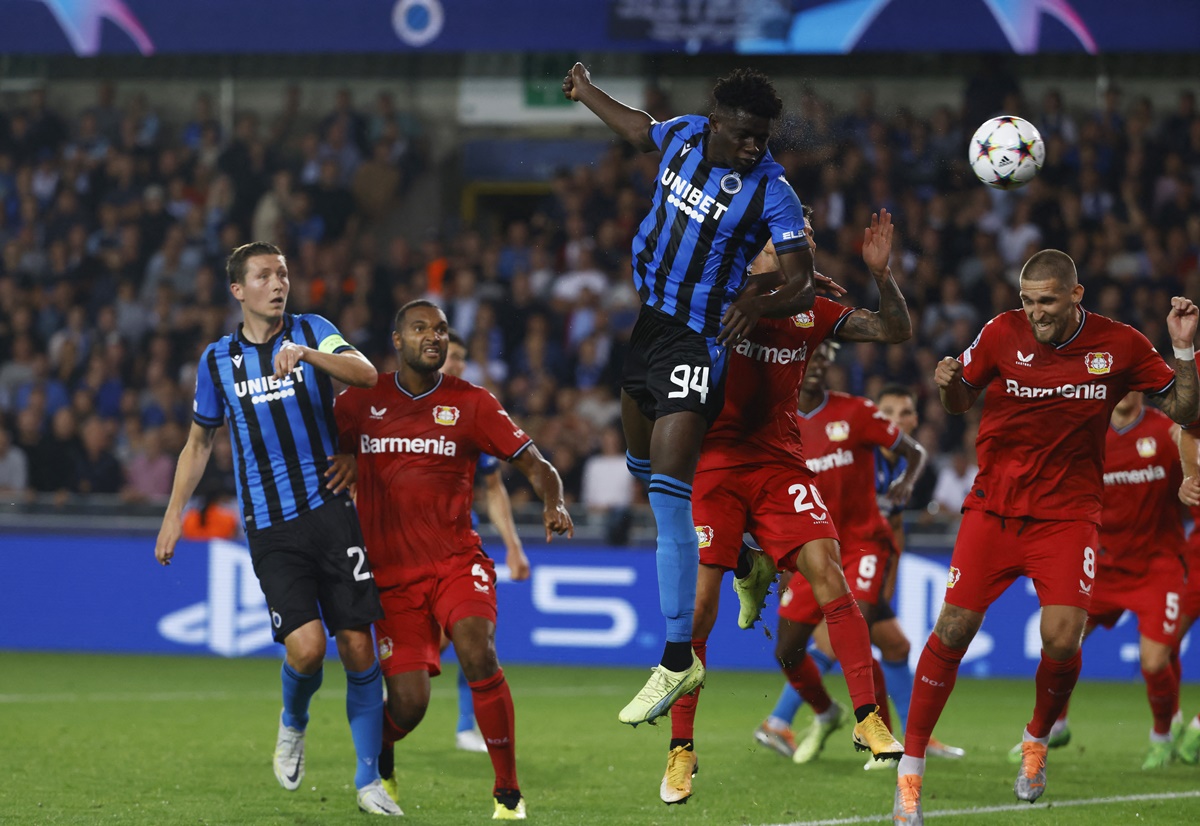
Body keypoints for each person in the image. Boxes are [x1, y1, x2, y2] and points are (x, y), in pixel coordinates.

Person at [564, 62, 836, 725]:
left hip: (699, 340)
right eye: (745, 135)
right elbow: (637, 128)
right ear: (716, 123)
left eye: (763, 136)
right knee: (638, 463)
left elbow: (802, 281)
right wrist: (587, 91)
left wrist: (754, 293)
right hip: (651, 325)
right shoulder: (684, 136)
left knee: (668, 495)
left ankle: (677, 659)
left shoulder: (773, 190)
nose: (755, 146)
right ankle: (746, 560)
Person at [893, 249, 1198, 825]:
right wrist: (947, 385)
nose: (1036, 314)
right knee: (953, 626)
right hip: (994, 509)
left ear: (1076, 295)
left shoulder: (1121, 345)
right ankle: (910, 770)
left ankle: (1036, 740)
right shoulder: (1001, 332)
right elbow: (960, 403)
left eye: (1048, 302)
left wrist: (1181, 348)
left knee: (1061, 639)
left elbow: (1185, 408)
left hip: (1068, 515)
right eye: (1028, 301)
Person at [660, 209, 906, 805]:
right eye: (787, 241)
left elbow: (893, 330)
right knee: (698, 613)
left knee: (828, 570)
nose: (803, 247)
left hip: (779, 466)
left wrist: (883, 275)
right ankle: (681, 751)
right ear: (754, 252)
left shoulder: (812, 310)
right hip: (718, 466)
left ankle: (867, 716)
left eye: (807, 240)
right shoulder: (721, 300)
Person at [153, 241, 400, 816]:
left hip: (332, 512)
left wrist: (308, 357)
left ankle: (368, 783)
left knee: (360, 646)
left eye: (282, 273)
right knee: (309, 648)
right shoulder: (217, 360)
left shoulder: (313, 330)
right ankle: (293, 722)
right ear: (238, 290)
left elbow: (365, 375)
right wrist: (172, 517)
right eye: (263, 275)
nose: (277, 282)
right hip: (270, 527)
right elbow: (198, 442)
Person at [332, 300, 573, 820]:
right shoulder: (358, 402)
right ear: (397, 340)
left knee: (478, 650)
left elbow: (534, 462)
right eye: (420, 328)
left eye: (440, 330)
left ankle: (507, 792)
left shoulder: (473, 402)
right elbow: (316, 453)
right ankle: (384, 752)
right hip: (390, 576)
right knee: (409, 705)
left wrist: (553, 500)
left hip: (456, 561)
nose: (433, 337)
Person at [755, 383, 964, 766]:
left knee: (882, 643)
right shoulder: (857, 449)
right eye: (887, 412)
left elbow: (895, 527)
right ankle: (795, 718)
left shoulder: (893, 464)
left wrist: (890, 577)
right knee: (832, 644)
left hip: (867, 555)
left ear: (915, 419)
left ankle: (900, 735)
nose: (894, 421)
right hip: (825, 552)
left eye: (903, 413)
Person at [1002, 391, 1186, 769]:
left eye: (1132, 381)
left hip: (1157, 565)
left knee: (1153, 662)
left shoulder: (1166, 433)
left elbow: (1191, 483)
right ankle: (1053, 728)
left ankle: (1162, 737)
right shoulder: (1088, 432)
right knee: (1060, 643)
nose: (1125, 389)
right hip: (1101, 565)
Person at [441, 330, 531, 753]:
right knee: (423, 646)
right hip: (406, 544)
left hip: (459, 541)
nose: (455, 364)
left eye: (460, 357)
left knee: (475, 632)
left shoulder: (470, 412)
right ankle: (394, 692)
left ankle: (465, 725)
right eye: (448, 356)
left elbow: (493, 487)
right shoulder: (395, 407)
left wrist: (513, 545)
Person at [1170, 425, 1200, 763]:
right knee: (1164, 646)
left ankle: (1196, 729)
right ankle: (1171, 721)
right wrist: (1186, 479)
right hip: (1196, 555)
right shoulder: (1184, 434)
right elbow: (1183, 431)